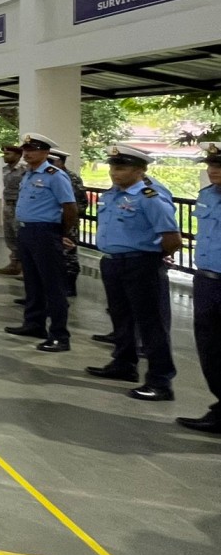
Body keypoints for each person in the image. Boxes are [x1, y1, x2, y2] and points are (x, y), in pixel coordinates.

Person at [85, 145, 181, 401]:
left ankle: (160, 381)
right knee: (121, 319)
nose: (115, 173)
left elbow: (172, 238)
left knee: (151, 324)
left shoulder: (150, 198)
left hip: (141, 263)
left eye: (122, 168)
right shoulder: (112, 196)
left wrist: (150, 258)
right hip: (113, 262)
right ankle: (123, 365)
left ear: (140, 171)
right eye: (113, 167)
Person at [5, 132, 78, 353]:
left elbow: (70, 207)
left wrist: (61, 232)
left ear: (46, 152)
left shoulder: (54, 175)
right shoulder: (28, 174)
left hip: (45, 232)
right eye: (25, 150)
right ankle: (34, 324)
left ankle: (59, 335)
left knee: (52, 285)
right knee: (32, 282)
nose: (27, 153)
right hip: (27, 231)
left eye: (33, 149)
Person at [178, 143, 221, 433]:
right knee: (210, 348)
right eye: (211, 165)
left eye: (219, 166)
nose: (213, 170)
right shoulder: (207, 195)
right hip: (207, 280)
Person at [49, 148, 88, 296]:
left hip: (67, 221)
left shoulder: (71, 178)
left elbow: (79, 202)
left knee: (68, 255)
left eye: (51, 161)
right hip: (52, 221)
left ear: (59, 161)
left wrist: (70, 221)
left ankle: (69, 286)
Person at [0, 144, 24, 276]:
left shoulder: (24, 169)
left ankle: (24, 267)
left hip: (19, 205)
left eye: (8, 154)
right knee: (10, 235)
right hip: (8, 205)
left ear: (18, 155)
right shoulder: (5, 169)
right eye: (4, 154)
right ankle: (14, 263)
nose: (4, 156)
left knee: (20, 236)